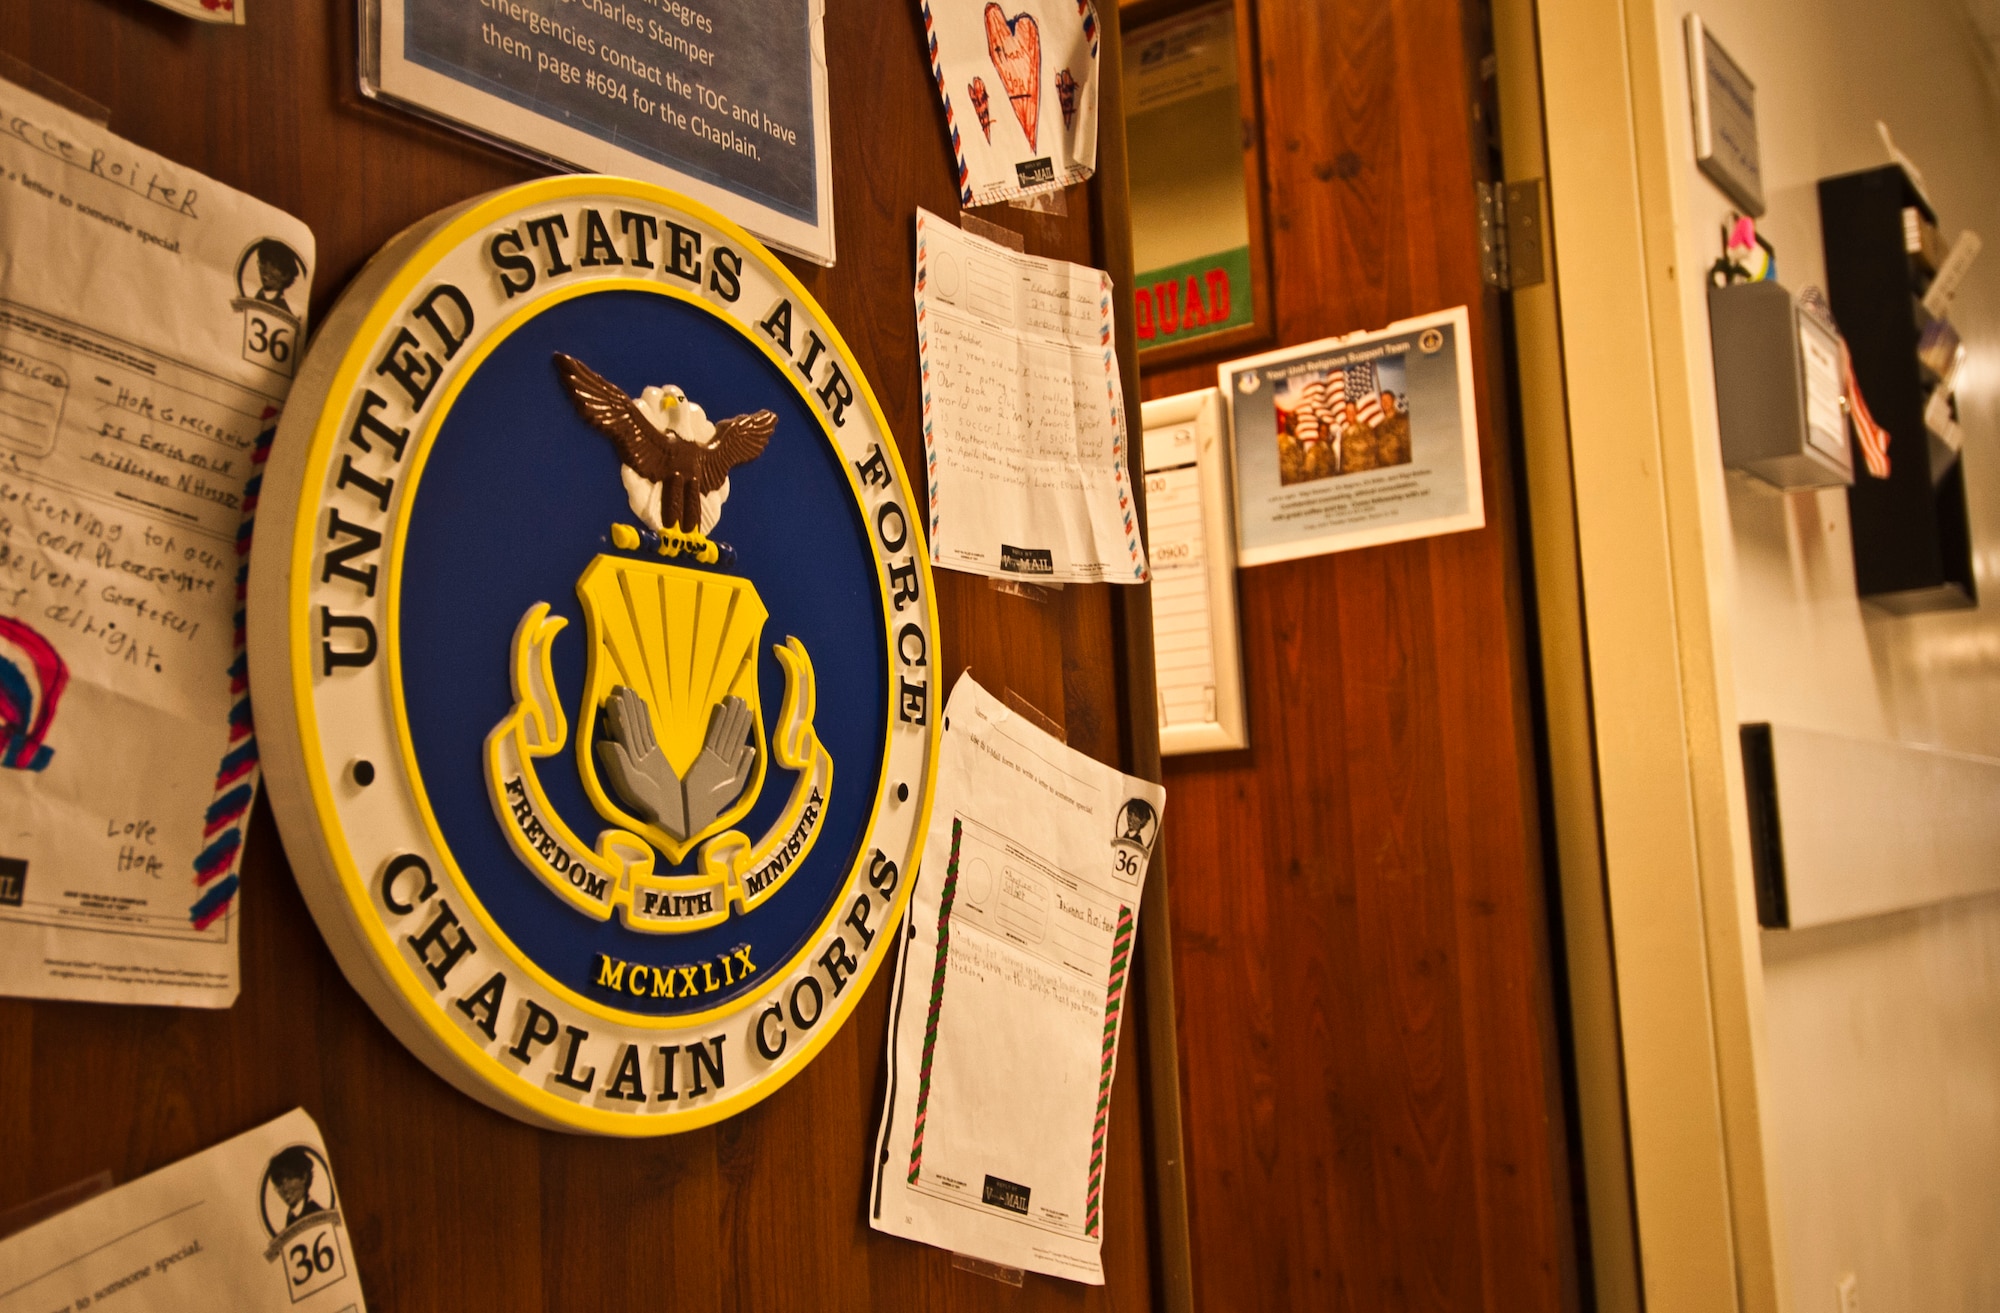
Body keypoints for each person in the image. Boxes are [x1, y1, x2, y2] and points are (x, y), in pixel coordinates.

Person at [269, 1146, 326, 1227]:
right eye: (279, 1184)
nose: (285, 1188)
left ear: (304, 1177)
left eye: (290, 1179)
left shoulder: (316, 1215)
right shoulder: (291, 1217)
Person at [248, 239, 304, 315]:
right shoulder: (257, 295)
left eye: (274, 265)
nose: (266, 269)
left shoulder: (283, 311)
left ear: (286, 276)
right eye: (263, 262)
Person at [1376, 390, 1413, 467]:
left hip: (1401, 464)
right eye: (1383, 400)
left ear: (1393, 401)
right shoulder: (1379, 426)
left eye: (1387, 400)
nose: (1385, 403)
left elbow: (1408, 447)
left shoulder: (1403, 419)